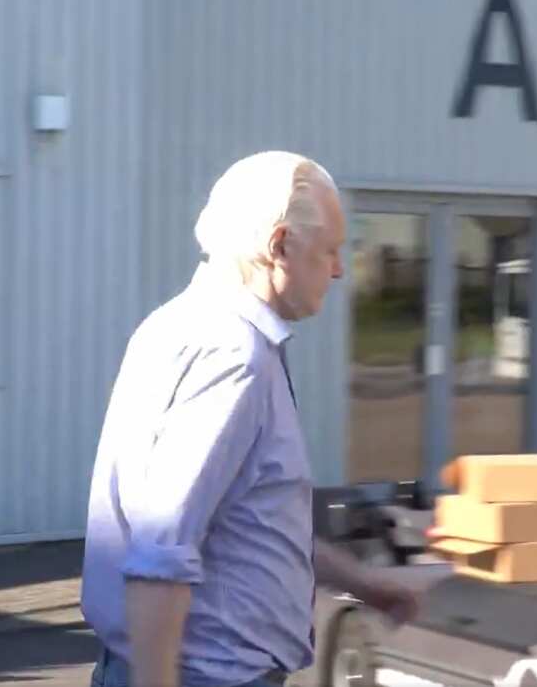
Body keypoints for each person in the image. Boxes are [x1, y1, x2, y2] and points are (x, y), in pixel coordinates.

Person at [81, 151, 419, 687]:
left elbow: (250, 519)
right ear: (279, 244)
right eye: (330, 250)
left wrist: (365, 584)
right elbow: (161, 551)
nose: (338, 269)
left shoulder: (175, 325)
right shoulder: (233, 355)